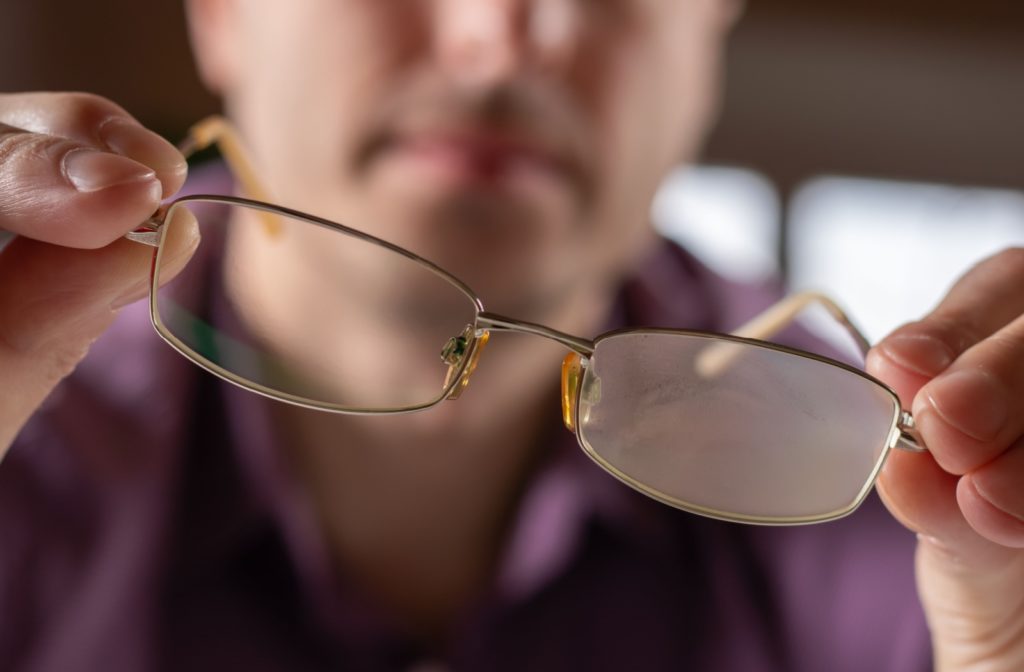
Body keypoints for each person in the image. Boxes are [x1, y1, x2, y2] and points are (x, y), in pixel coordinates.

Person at [1, 1, 1022, 670]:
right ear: (222, 17)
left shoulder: (895, 511)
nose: (500, 33)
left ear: (707, 39)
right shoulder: (23, 443)